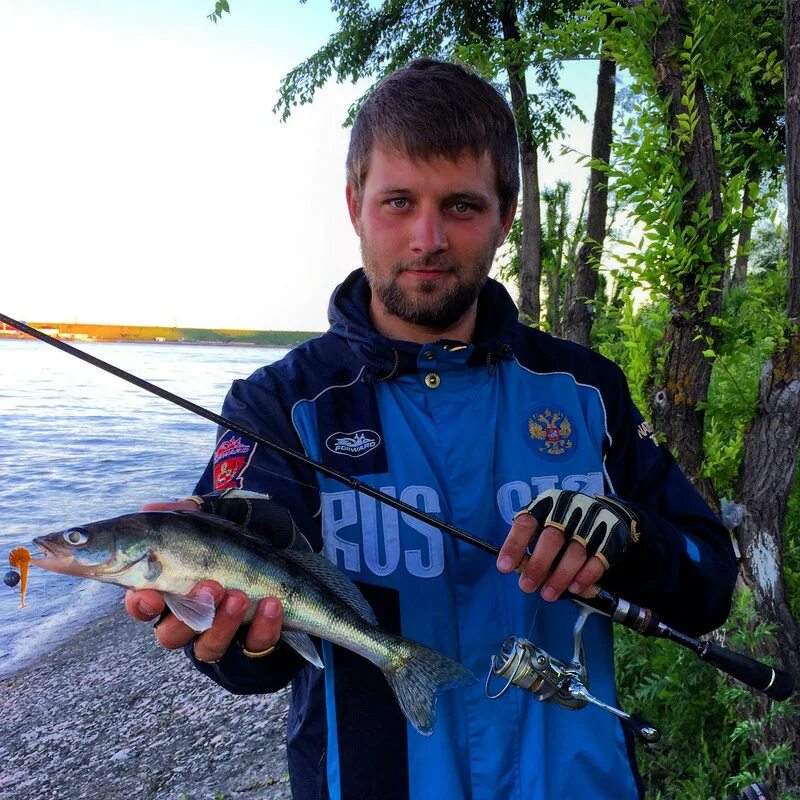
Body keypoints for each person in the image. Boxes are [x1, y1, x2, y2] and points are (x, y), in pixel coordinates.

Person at [126, 58, 737, 800]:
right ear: (354, 206)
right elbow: (248, 659)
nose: (427, 237)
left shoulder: (586, 389)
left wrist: (635, 539)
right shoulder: (278, 407)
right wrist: (226, 642)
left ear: (505, 215)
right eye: (397, 202)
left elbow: (711, 586)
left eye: (461, 206)